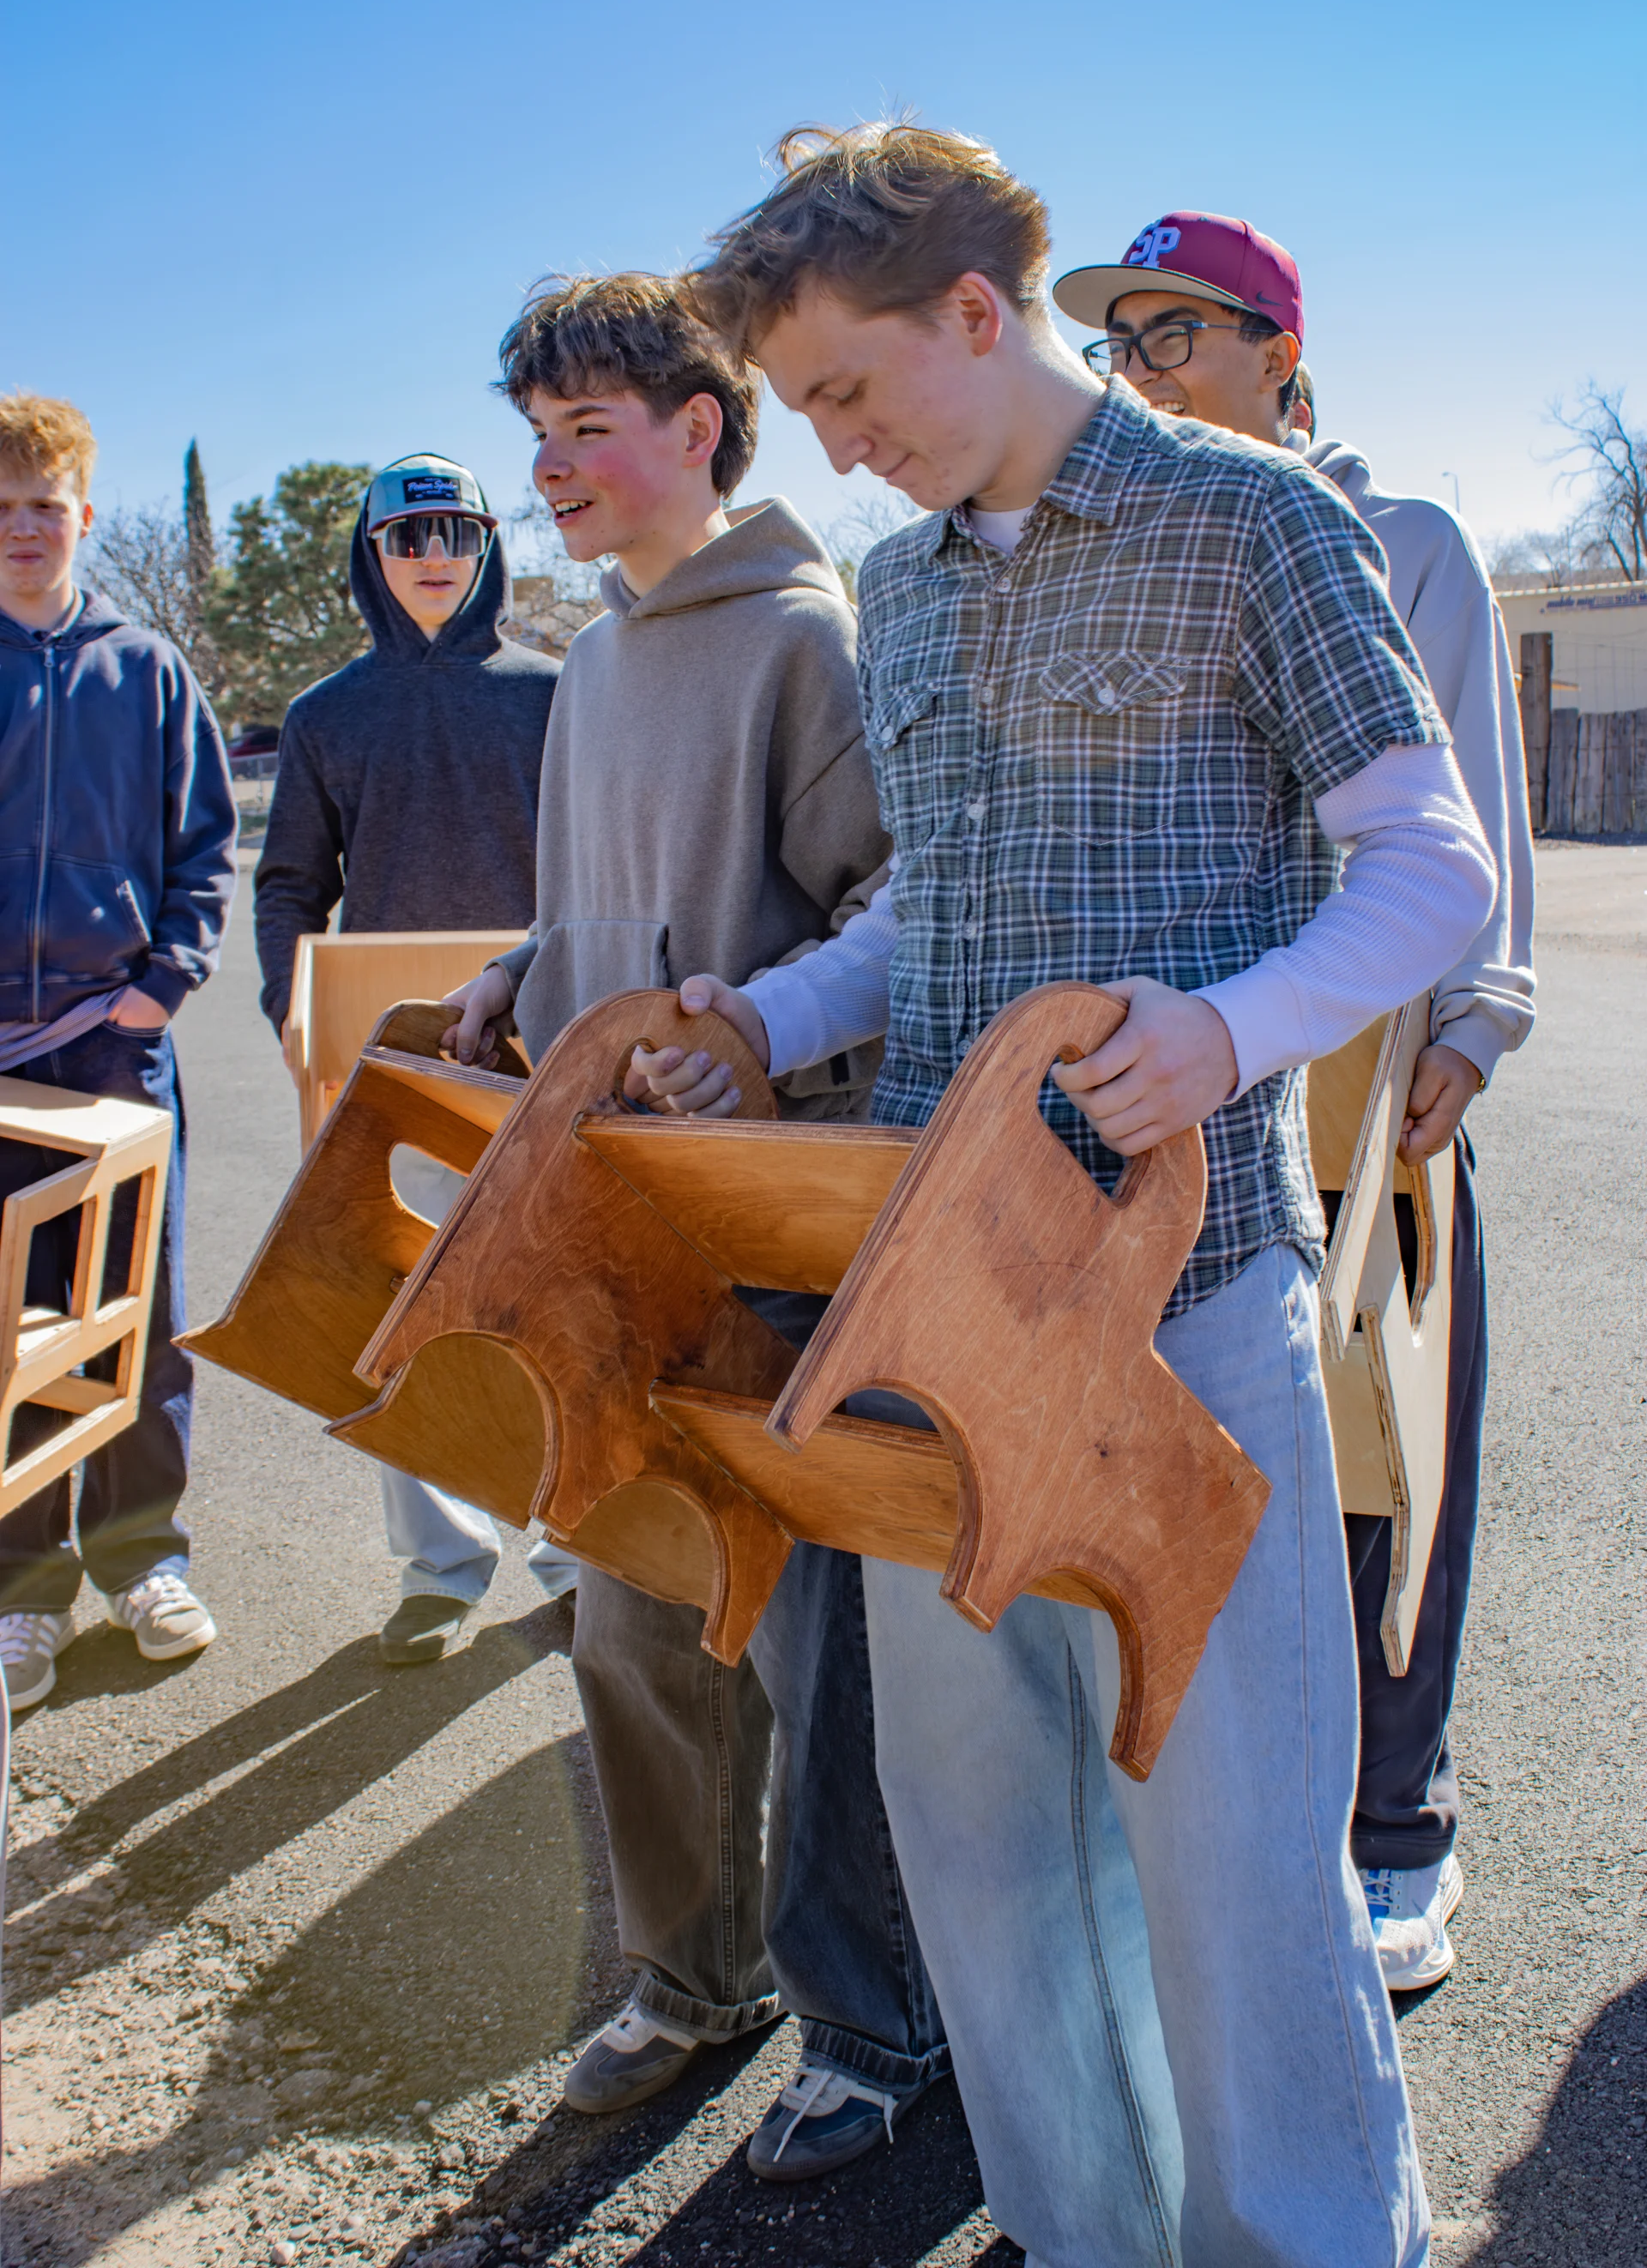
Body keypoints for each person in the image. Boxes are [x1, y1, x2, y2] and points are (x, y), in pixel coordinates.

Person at [639, 123, 1499, 2267]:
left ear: (971, 310)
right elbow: (933, 904)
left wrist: (1231, 1030)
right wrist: (764, 1013)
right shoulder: (904, 595)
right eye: (808, 416)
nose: (837, 456)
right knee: (995, 1865)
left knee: (1233, 1881)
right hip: (941, 1316)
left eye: (851, 394)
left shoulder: (1256, 521)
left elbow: (1433, 869)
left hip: (1190, 1311)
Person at [443, 271, 946, 2181]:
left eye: (590, 429)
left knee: (812, 1654)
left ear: (700, 429)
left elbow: (892, 911)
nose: (552, 471)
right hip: (609, 1220)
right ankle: (688, 1978)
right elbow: (616, 909)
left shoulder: (805, 639)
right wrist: (527, 963)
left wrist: (745, 1047)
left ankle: (869, 2030)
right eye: (539, 437)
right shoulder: (589, 660)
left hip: (769, 1223)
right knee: (633, 1621)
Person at [1051, 214, 1535, 1990]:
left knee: (1387, 1466)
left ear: (1282, 354)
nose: (1143, 371)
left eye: (1179, 334)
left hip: (1369, 1082)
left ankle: (1400, 1829)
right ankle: (1246, 1832)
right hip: (1183, 1092)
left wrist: (1475, 1032)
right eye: (1123, 343)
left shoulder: (1398, 542)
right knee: (1209, 1472)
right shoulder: (1131, 558)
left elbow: (1471, 814)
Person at [254, 454, 570, 1663]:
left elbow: (594, 870)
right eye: (407, 536)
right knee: (411, 1311)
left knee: (549, 1304)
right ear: (371, 557)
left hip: (547, 1045)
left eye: (458, 530)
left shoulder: (558, 689)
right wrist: (294, 1006)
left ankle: (570, 1550)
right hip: (401, 1060)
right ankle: (441, 1565)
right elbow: (290, 886)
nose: (434, 553)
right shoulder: (328, 716)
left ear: (490, 543)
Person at [0, 392, 237, 1710]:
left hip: (111, 1044)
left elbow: (204, 845)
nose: (26, 529)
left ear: (83, 514)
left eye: (46, 504)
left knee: (141, 1313)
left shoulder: (143, 669)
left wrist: (162, 985)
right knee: (20, 1323)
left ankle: (141, 1552)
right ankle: (23, 1595)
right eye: (3, 509)